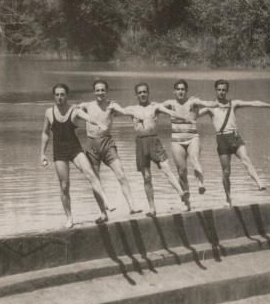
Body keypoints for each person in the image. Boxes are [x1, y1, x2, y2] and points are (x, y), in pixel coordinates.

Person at [198, 79, 270, 206]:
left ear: (227, 91)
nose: (221, 92)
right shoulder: (210, 107)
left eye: (224, 90)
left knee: (246, 158)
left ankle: (259, 182)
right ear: (216, 90)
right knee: (226, 172)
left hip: (234, 136)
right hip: (221, 139)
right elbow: (193, 116)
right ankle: (228, 198)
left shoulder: (233, 103)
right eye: (219, 90)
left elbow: (253, 103)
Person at [39, 83, 108, 228]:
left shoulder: (74, 110)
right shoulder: (48, 113)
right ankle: (69, 218)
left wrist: (98, 124)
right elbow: (45, 133)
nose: (59, 97)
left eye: (62, 94)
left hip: (75, 148)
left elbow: (87, 117)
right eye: (57, 95)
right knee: (64, 186)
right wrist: (42, 154)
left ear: (66, 95)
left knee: (90, 174)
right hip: (59, 152)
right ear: (54, 96)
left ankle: (106, 203)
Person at [124, 83, 191, 215]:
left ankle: (181, 193)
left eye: (145, 92)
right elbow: (113, 111)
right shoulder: (132, 109)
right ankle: (152, 209)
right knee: (147, 177)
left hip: (154, 142)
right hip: (140, 144)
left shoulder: (155, 107)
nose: (142, 94)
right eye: (140, 92)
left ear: (148, 93)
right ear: (136, 94)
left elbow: (170, 112)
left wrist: (184, 115)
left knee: (166, 169)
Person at [76, 79, 140, 215]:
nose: (100, 93)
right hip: (92, 144)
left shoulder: (111, 105)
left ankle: (132, 207)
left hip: (107, 143)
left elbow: (122, 111)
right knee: (95, 179)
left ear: (106, 91)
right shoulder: (87, 105)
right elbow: (75, 112)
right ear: (94, 92)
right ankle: (103, 214)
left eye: (103, 90)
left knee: (121, 174)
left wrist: (131, 113)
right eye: (98, 90)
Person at [163, 79, 208, 196]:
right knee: (182, 171)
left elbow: (208, 105)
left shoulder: (192, 102)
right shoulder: (170, 104)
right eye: (178, 89)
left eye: (183, 89)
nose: (180, 91)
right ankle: (186, 200)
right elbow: (154, 110)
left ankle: (200, 184)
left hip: (192, 137)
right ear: (174, 91)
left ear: (186, 90)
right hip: (177, 140)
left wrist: (217, 104)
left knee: (194, 159)